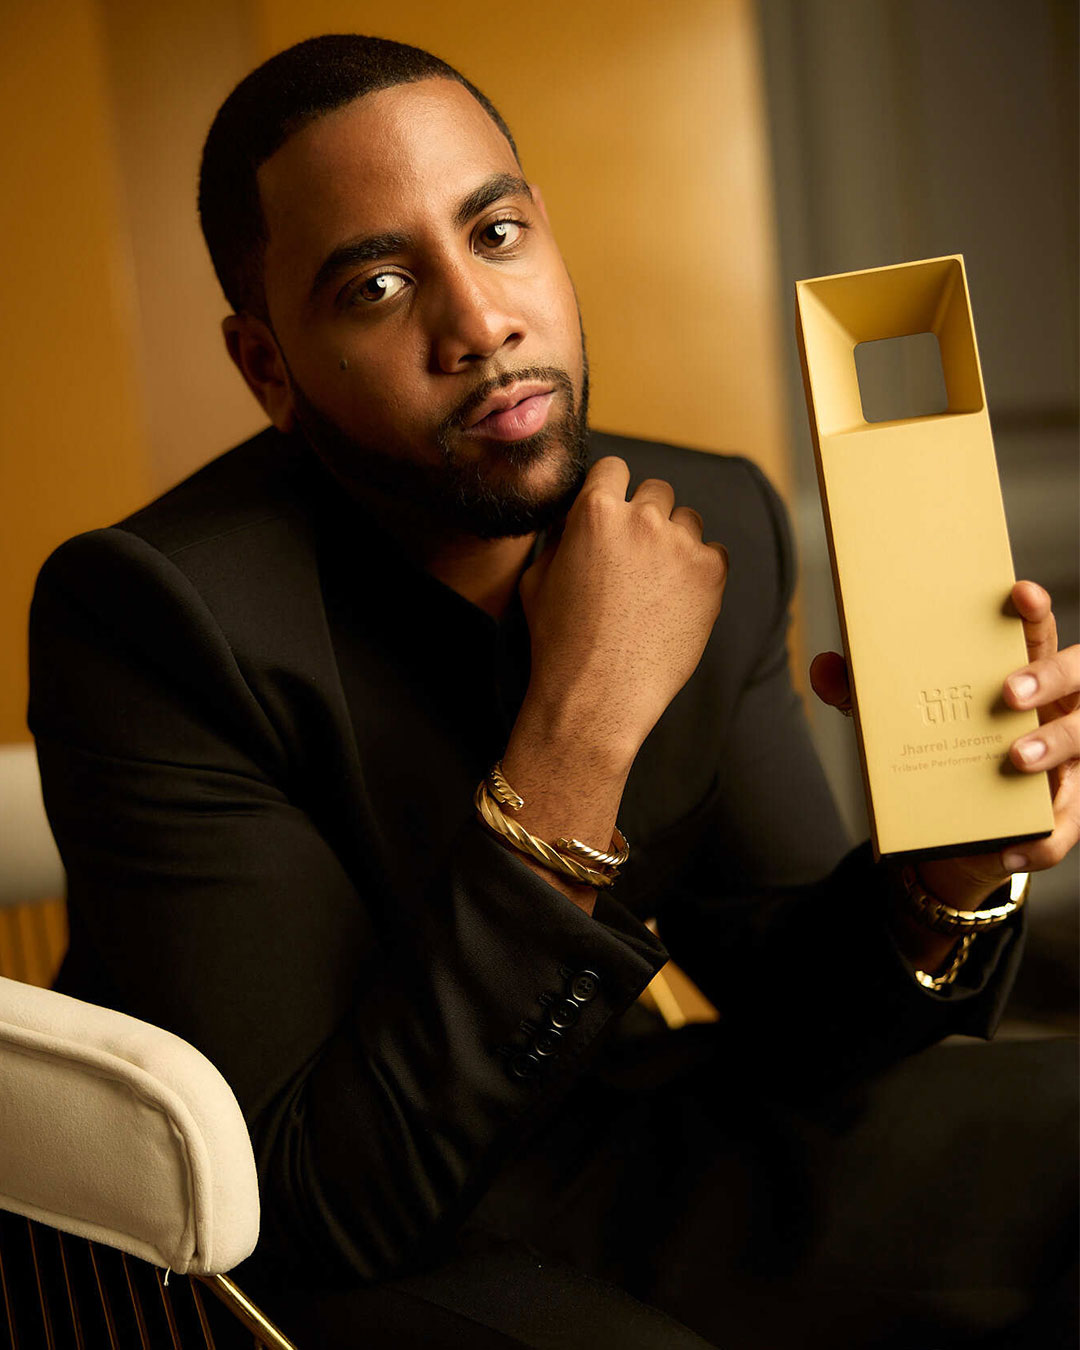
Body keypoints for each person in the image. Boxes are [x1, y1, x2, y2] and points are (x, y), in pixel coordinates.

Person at [28, 34, 1078, 1350]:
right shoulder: (149, 615)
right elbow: (312, 1200)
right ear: (267, 368)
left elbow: (798, 1024)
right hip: (296, 1257)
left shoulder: (711, 526)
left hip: (618, 1139)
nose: (480, 323)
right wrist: (584, 714)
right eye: (379, 284)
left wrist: (949, 867)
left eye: (500, 232)